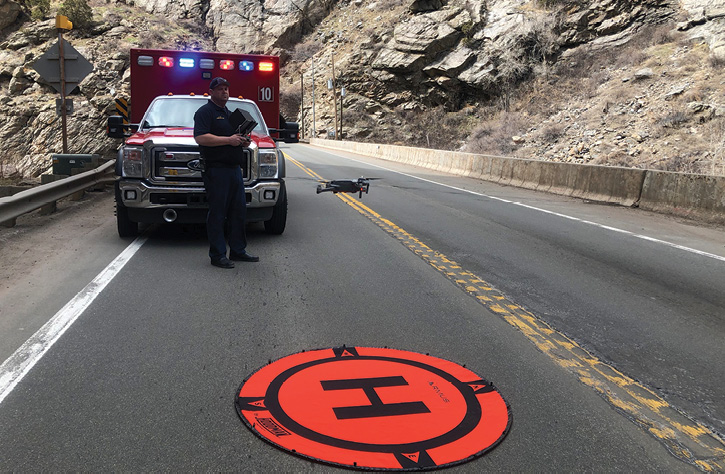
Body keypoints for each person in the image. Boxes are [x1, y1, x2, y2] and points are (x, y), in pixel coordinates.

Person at [194, 77, 259, 268]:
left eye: (226, 89)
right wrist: (227, 140)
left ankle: (238, 251)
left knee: (238, 212)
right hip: (216, 170)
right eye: (220, 89)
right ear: (211, 92)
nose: (224, 92)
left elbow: (235, 137)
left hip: (234, 170)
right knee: (218, 213)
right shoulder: (205, 112)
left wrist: (243, 141)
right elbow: (200, 137)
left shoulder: (230, 114)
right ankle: (217, 255)